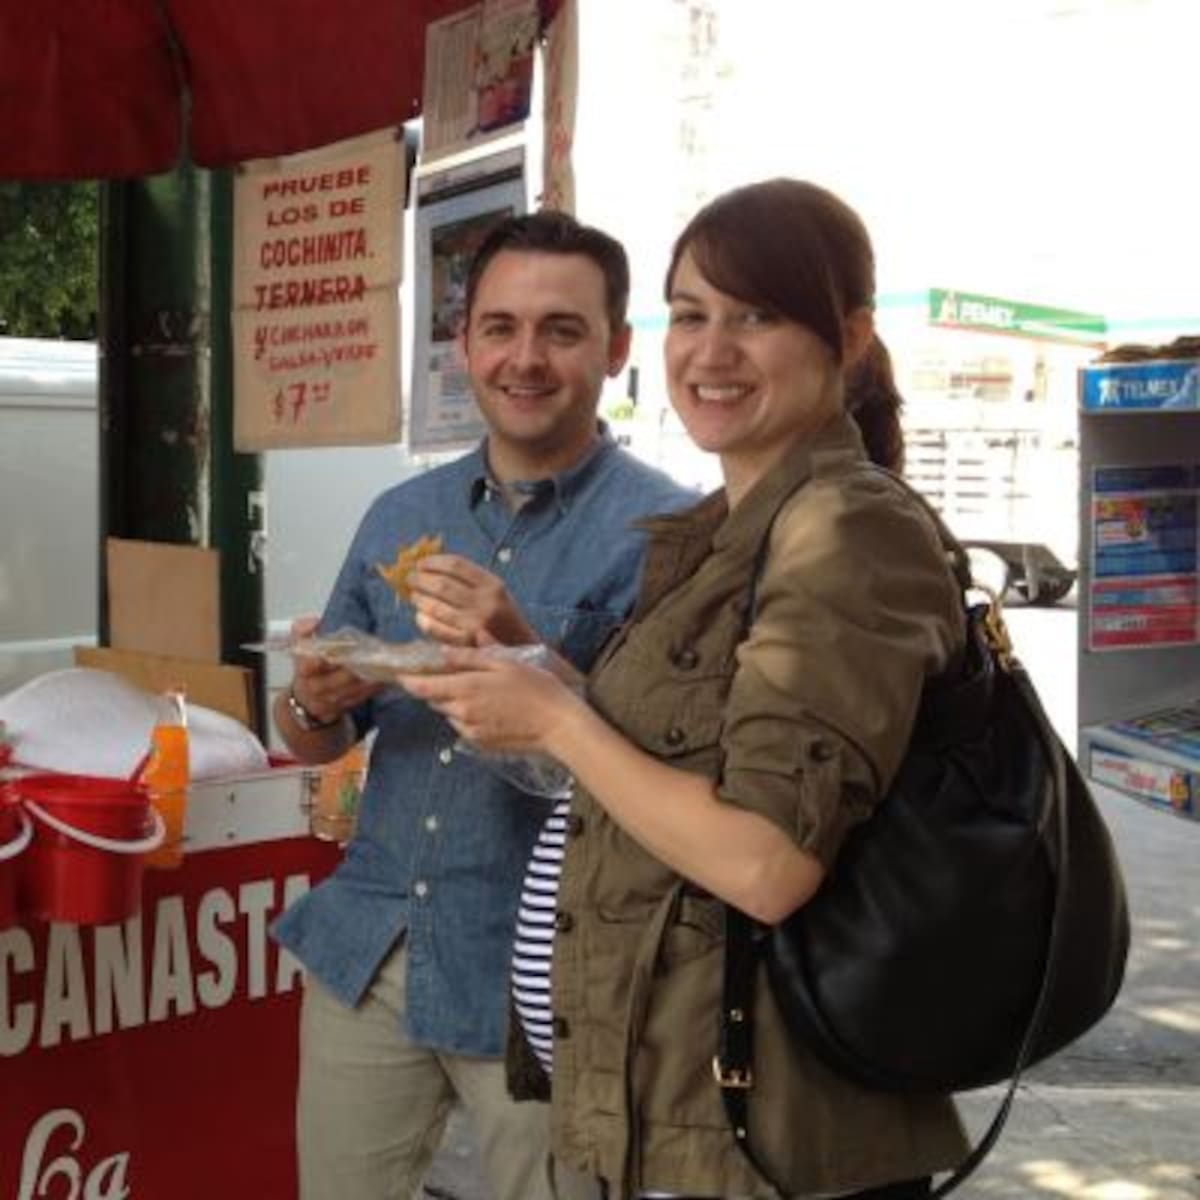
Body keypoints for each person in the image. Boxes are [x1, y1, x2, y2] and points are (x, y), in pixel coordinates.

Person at [400, 179, 972, 1199]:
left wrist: (556, 721)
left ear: (848, 338)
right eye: (693, 314)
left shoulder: (846, 531)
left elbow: (765, 862)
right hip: (682, 1104)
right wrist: (533, 663)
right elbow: (679, 747)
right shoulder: (730, 529)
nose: (711, 352)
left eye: (756, 317)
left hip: (767, 1136)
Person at [270, 210, 694, 1200]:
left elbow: (676, 774)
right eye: (500, 327)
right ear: (465, 346)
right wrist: (314, 701)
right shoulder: (400, 515)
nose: (525, 358)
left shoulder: (671, 533)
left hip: (551, 975)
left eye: (562, 330)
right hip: (372, 951)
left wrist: (526, 652)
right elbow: (312, 740)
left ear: (616, 348)